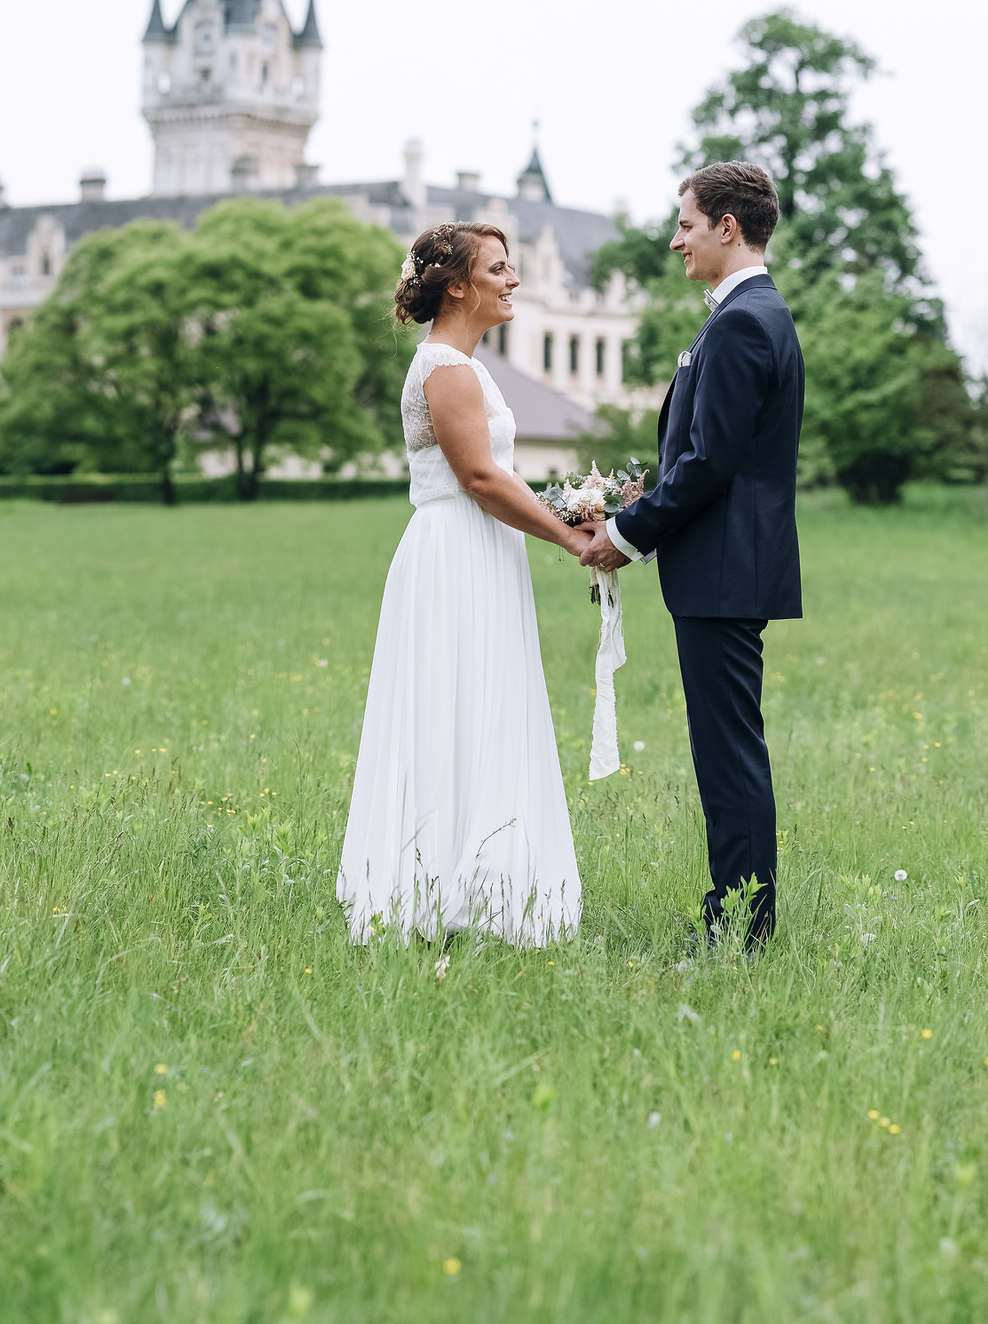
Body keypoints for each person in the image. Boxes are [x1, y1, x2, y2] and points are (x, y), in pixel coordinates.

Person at [336, 221, 603, 944]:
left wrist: (571, 505)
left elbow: (498, 475)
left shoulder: (466, 366)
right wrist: (573, 539)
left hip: (481, 550)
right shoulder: (446, 369)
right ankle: (438, 886)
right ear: (458, 285)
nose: (513, 280)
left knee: (482, 701)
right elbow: (481, 477)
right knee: (451, 703)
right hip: (454, 552)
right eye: (499, 268)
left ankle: (478, 883)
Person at [584, 161, 804, 951]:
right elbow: (711, 457)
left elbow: (711, 464)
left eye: (684, 224)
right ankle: (738, 914)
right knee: (726, 750)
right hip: (722, 567)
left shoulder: (744, 320)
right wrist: (640, 503)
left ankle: (741, 927)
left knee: (729, 754)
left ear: (727, 227)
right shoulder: (744, 314)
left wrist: (623, 534)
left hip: (723, 568)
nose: (675, 240)